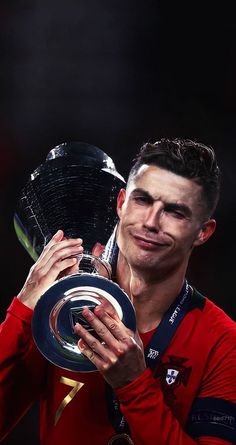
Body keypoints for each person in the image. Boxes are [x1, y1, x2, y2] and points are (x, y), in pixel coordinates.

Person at [0, 138, 235, 445]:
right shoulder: (61, 309)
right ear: (121, 203)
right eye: (143, 200)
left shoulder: (223, 343)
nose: (151, 222)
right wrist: (21, 311)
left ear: (203, 232)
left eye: (175, 212)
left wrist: (134, 384)